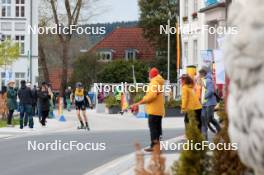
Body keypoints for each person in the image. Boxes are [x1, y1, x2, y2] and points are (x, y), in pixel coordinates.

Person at [131, 68, 165, 152]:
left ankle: (154, 146)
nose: (148, 76)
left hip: (153, 110)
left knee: (153, 129)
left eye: (149, 74)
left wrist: (142, 100)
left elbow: (151, 96)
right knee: (157, 129)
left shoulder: (154, 83)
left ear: (151, 75)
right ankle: (157, 146)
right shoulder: (159, 82)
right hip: (159, 110)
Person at [199, 68, 221, 139]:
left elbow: (211, 91)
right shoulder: (203, 80)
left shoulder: (208, 81)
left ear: (203, 74)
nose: (199, 76)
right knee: (204, 119)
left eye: (200, 74)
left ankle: (219, 130)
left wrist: (204, 97)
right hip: (204, 104)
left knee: (209, 118)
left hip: (210, 103)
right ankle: (204, 136)